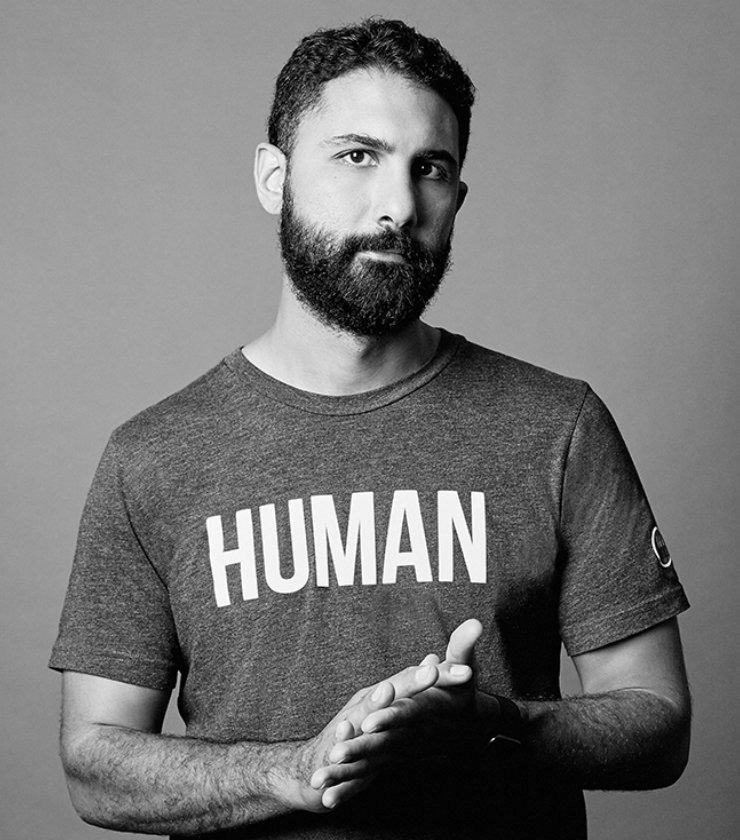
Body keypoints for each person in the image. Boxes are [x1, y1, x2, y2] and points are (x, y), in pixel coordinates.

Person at [50, 17, 691, 840]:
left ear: (456, 198)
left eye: (431, 168)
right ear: (275, 177)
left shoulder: (558, 425)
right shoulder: (152, 457)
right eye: (358, 155)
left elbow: (658, 721)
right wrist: (292, 771)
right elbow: (94, 764)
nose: (398, 206)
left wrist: (493, 725)